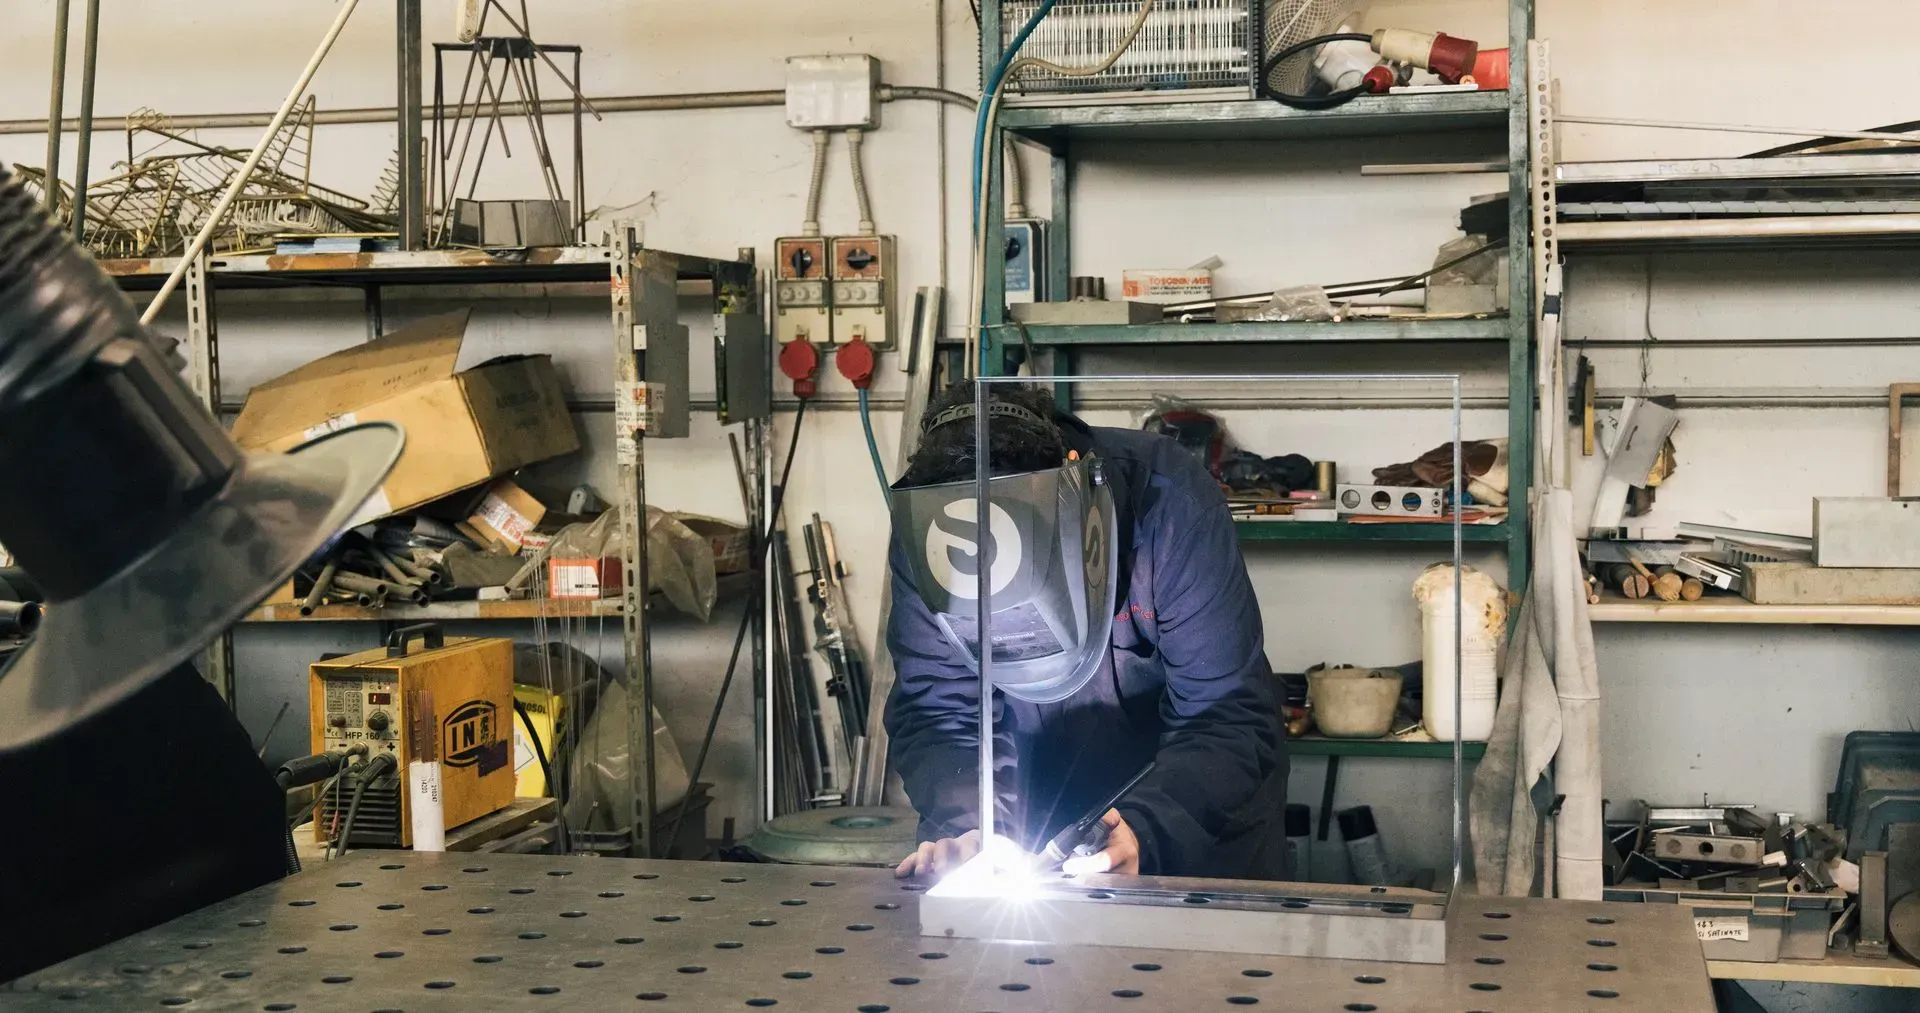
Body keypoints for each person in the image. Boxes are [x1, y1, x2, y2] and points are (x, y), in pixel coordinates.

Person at [885, 383, 1288, 881]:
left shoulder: (1167, 498)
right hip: (1031, 825)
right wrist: (970, 826)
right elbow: (938, 710)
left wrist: (1146, 830)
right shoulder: (930, 531)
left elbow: (1223, 714)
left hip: (1191, 812)